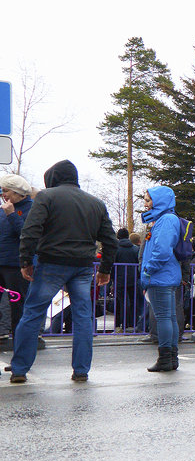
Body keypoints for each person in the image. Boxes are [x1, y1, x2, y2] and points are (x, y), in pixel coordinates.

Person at [8, 160, 119, 383]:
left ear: (52, 178)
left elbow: (31, 230)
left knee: (32, 314)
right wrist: (105, 269)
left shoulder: (46, 197)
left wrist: (25, 260)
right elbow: (110, 240)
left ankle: (20, 369)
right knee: (82, 317)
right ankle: (81, 370)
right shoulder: (96, 203)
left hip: (51, 263)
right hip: (83, 266)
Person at [139, 186, 185, 372]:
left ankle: (166, 358)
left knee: (164, 318)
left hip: (160, 277)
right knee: (170, 317)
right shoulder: (166, 219)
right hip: (166, 275)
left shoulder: (165, 220)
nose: (145, 203)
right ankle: (171, 358)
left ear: (159, 201)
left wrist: (149, 270)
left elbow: (162, 250)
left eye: (148, 200)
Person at [0, 174, 34, 341]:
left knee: (18, 305)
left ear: (18, 192)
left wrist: (12, 215)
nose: (3, 194)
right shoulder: (4, 208)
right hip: (1, 262)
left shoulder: (32, 209)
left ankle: (20, 339)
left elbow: (27, 235)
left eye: (6, 190)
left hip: (16, 265)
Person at [112, 227, 142, 331]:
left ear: (118, 236)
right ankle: (132, 324)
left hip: (119, 279)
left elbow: (111, 264)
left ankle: (122, 324)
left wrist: (112, 278)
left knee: (122, 302)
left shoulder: (115, 249)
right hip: (133, 278)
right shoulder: (135, 249)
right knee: (133, 301)